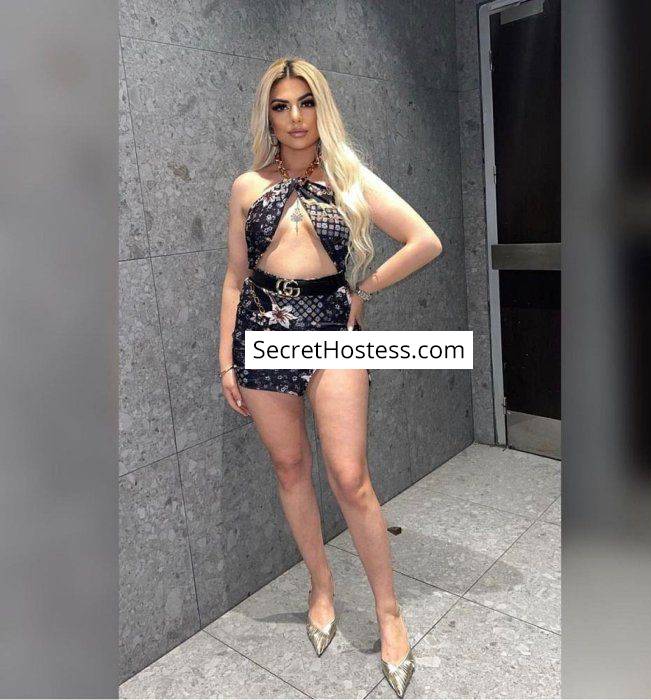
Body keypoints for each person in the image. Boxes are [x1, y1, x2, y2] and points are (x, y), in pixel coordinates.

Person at [218, 57, 442, 698]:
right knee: (290, 467)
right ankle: (321, 586)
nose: (295, 117)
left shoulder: (348, 177)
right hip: (260, 332)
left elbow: (424, 240)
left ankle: (389, 613)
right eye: (281, 106)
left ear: (322, 108)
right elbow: (233, 278)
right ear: (268, 116)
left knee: (350, 477)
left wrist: (363, 290)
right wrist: (226, 359)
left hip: (331, 330)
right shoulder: (246, 187)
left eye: (306, 102)